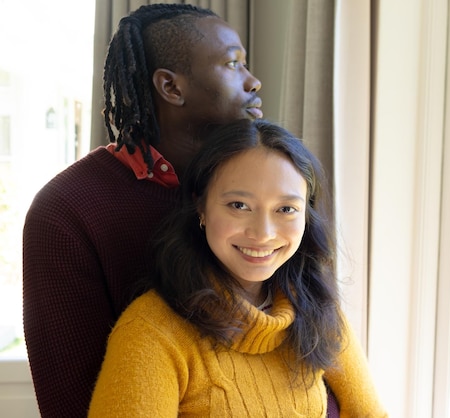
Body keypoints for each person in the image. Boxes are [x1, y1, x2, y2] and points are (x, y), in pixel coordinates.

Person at [21, 4, 267, 417]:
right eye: (232, 63)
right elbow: (70, 397)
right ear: (171, 87)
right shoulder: (65, 211)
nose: (254, 81)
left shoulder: (270, 187)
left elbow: (314, 342)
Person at [87, 118, 387, 417]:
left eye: (286, 209)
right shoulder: (151, 333)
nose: (263, 233)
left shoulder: (317, 308)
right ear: (201, 207)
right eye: (239, 206)